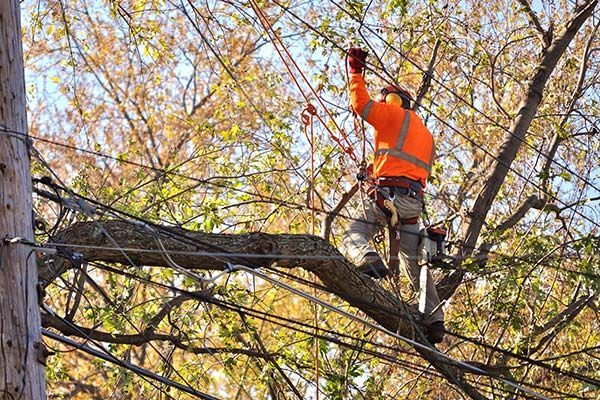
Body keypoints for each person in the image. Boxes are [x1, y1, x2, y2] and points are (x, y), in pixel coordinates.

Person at [342, 47, 445, 344]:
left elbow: (360, 105)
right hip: (412, 200)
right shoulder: (425, 134)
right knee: (415, 262)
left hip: (387, 195)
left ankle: (367, 258)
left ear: (393, 100)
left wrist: (355, 72)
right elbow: (401, 162)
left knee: (355, 231)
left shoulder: (392, 114)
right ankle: (435, 320)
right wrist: (372, 170)